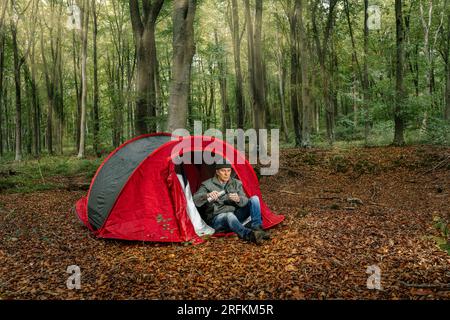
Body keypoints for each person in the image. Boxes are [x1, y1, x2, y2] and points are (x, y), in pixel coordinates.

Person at [193, 161, 270, 244]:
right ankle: (248, 235)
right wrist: (207, 195)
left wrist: (238, 199)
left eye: (228, 171)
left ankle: (258, 229)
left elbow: (244, 200)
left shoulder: (236, 183)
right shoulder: (207, 184)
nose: (226, 174)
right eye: (223, 171)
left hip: (235, 215)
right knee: (229, 215)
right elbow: (195, 199)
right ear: (217, 172)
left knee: (254, 199)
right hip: (217, 219)